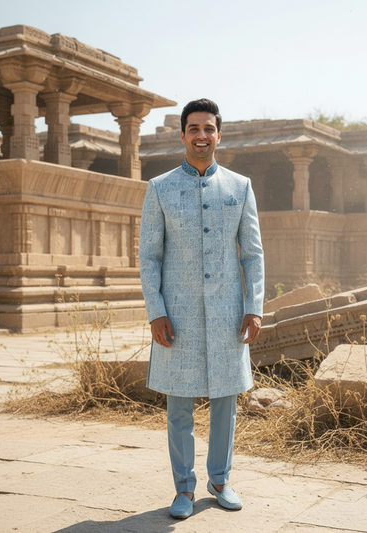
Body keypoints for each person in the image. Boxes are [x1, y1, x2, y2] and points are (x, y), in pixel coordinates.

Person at [139, 98, 264, 519]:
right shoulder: (159, 188)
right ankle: (184, 489)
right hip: (177, 315)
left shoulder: (239, 186)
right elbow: (149, 257)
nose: (201, 135)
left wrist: (255, 306)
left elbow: (252, 255)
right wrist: (156, 310)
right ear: (182, 135)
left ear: (218, 134)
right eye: (193, 128)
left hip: (229, 311)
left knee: (226, 400)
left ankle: (221, 480)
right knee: (179, 404)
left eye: (208, 128)